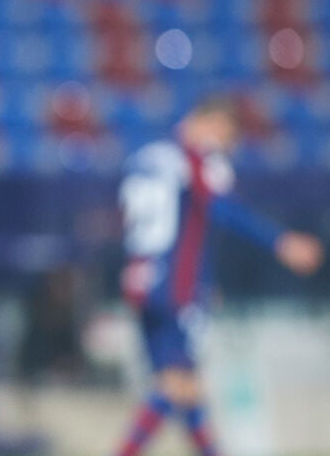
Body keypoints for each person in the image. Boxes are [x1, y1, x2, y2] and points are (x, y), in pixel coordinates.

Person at [113, 99, 323, 456]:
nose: (226, 145)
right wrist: (281, 242)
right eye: (226, 135)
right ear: (207, 122)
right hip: (177, 287)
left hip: (142, 279)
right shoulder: (196, 161)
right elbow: (219, 209)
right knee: (174, 385)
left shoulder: (148, 156)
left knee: (185, 385)